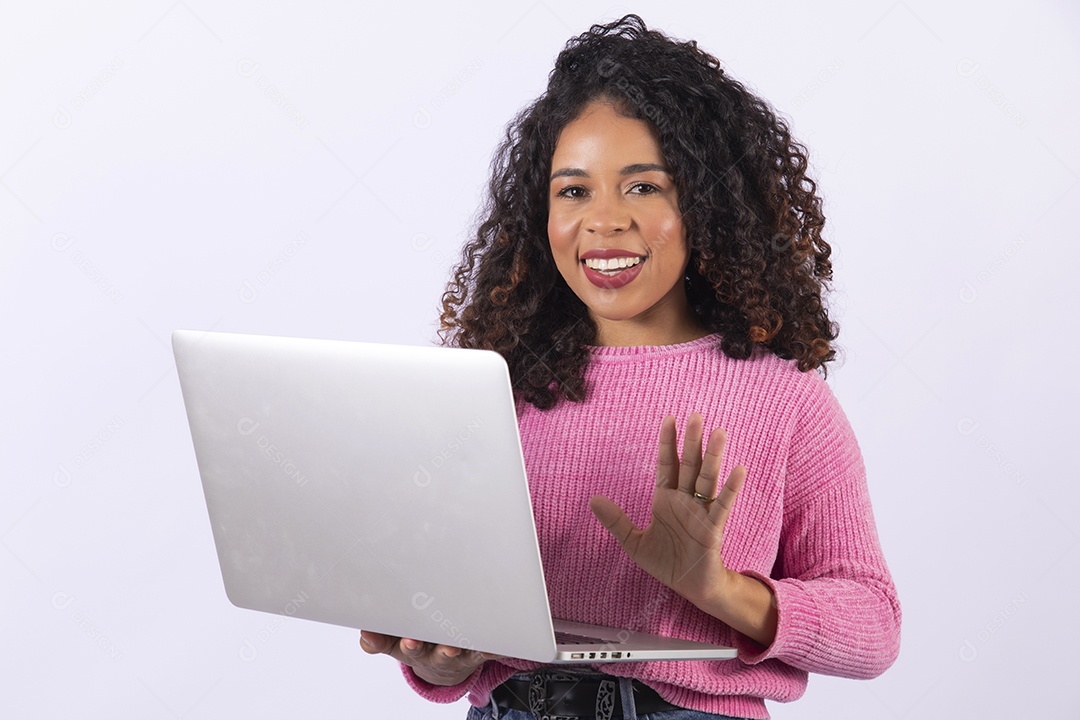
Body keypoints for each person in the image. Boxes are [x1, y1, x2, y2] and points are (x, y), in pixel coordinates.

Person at [360, 14, 901, 720]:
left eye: (642, 187)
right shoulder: (496, 390)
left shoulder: (785, 401)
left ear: (703, 204)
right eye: (574, 190)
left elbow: (874, 627)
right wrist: (442, 655)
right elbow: (459, 621)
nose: (604, 221)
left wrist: (717, 589)